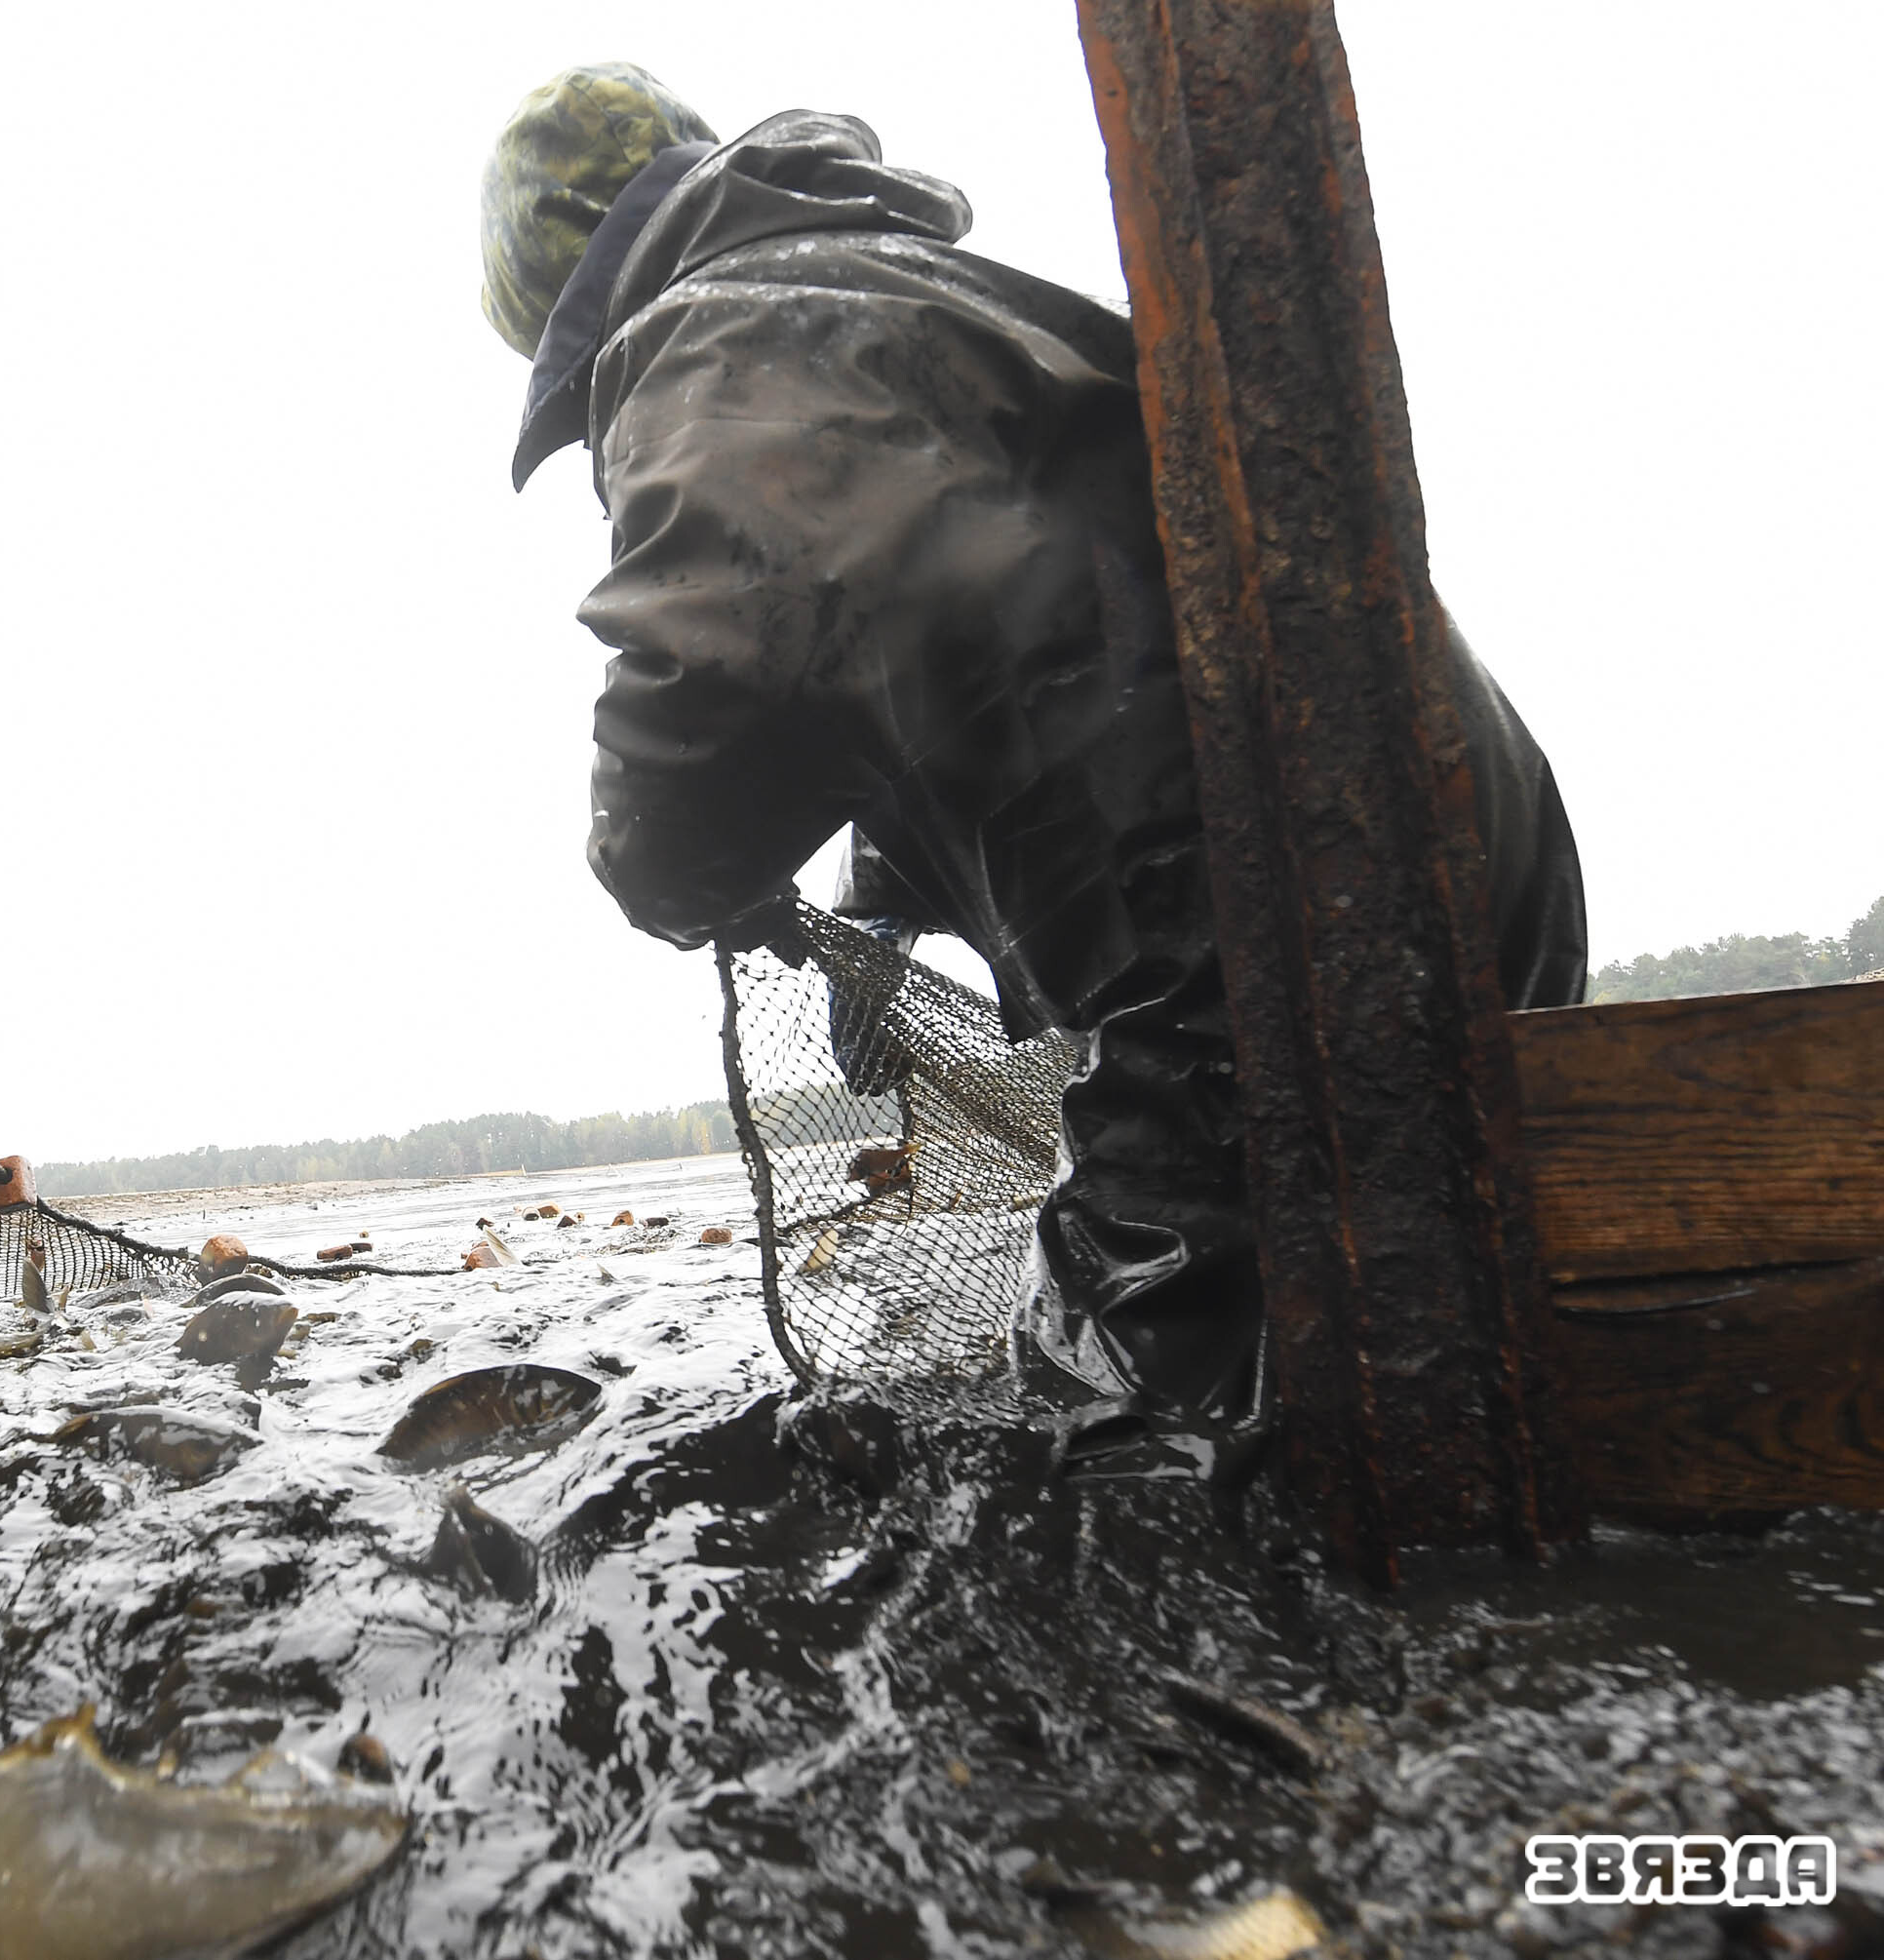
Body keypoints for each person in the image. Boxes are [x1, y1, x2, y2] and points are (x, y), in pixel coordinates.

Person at [483, 67, 1588, 1460]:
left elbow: (703, 715)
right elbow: (983, 602)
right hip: (1469, 813)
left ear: (559, 295)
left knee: (1135, 1460)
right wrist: (880, 896)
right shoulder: (901, 291)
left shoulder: (706, 341)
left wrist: (656, 865)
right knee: (1490, 1367)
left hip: (1255, 913)